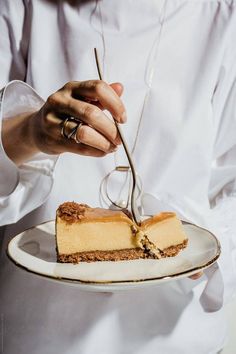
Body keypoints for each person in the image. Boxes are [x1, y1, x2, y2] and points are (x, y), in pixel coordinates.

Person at [0, 0, 236, 353]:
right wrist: (29, 133)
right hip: (41, 331)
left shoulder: (222, 16)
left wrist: (202, 251)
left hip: (176, 336)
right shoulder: (22, 7)